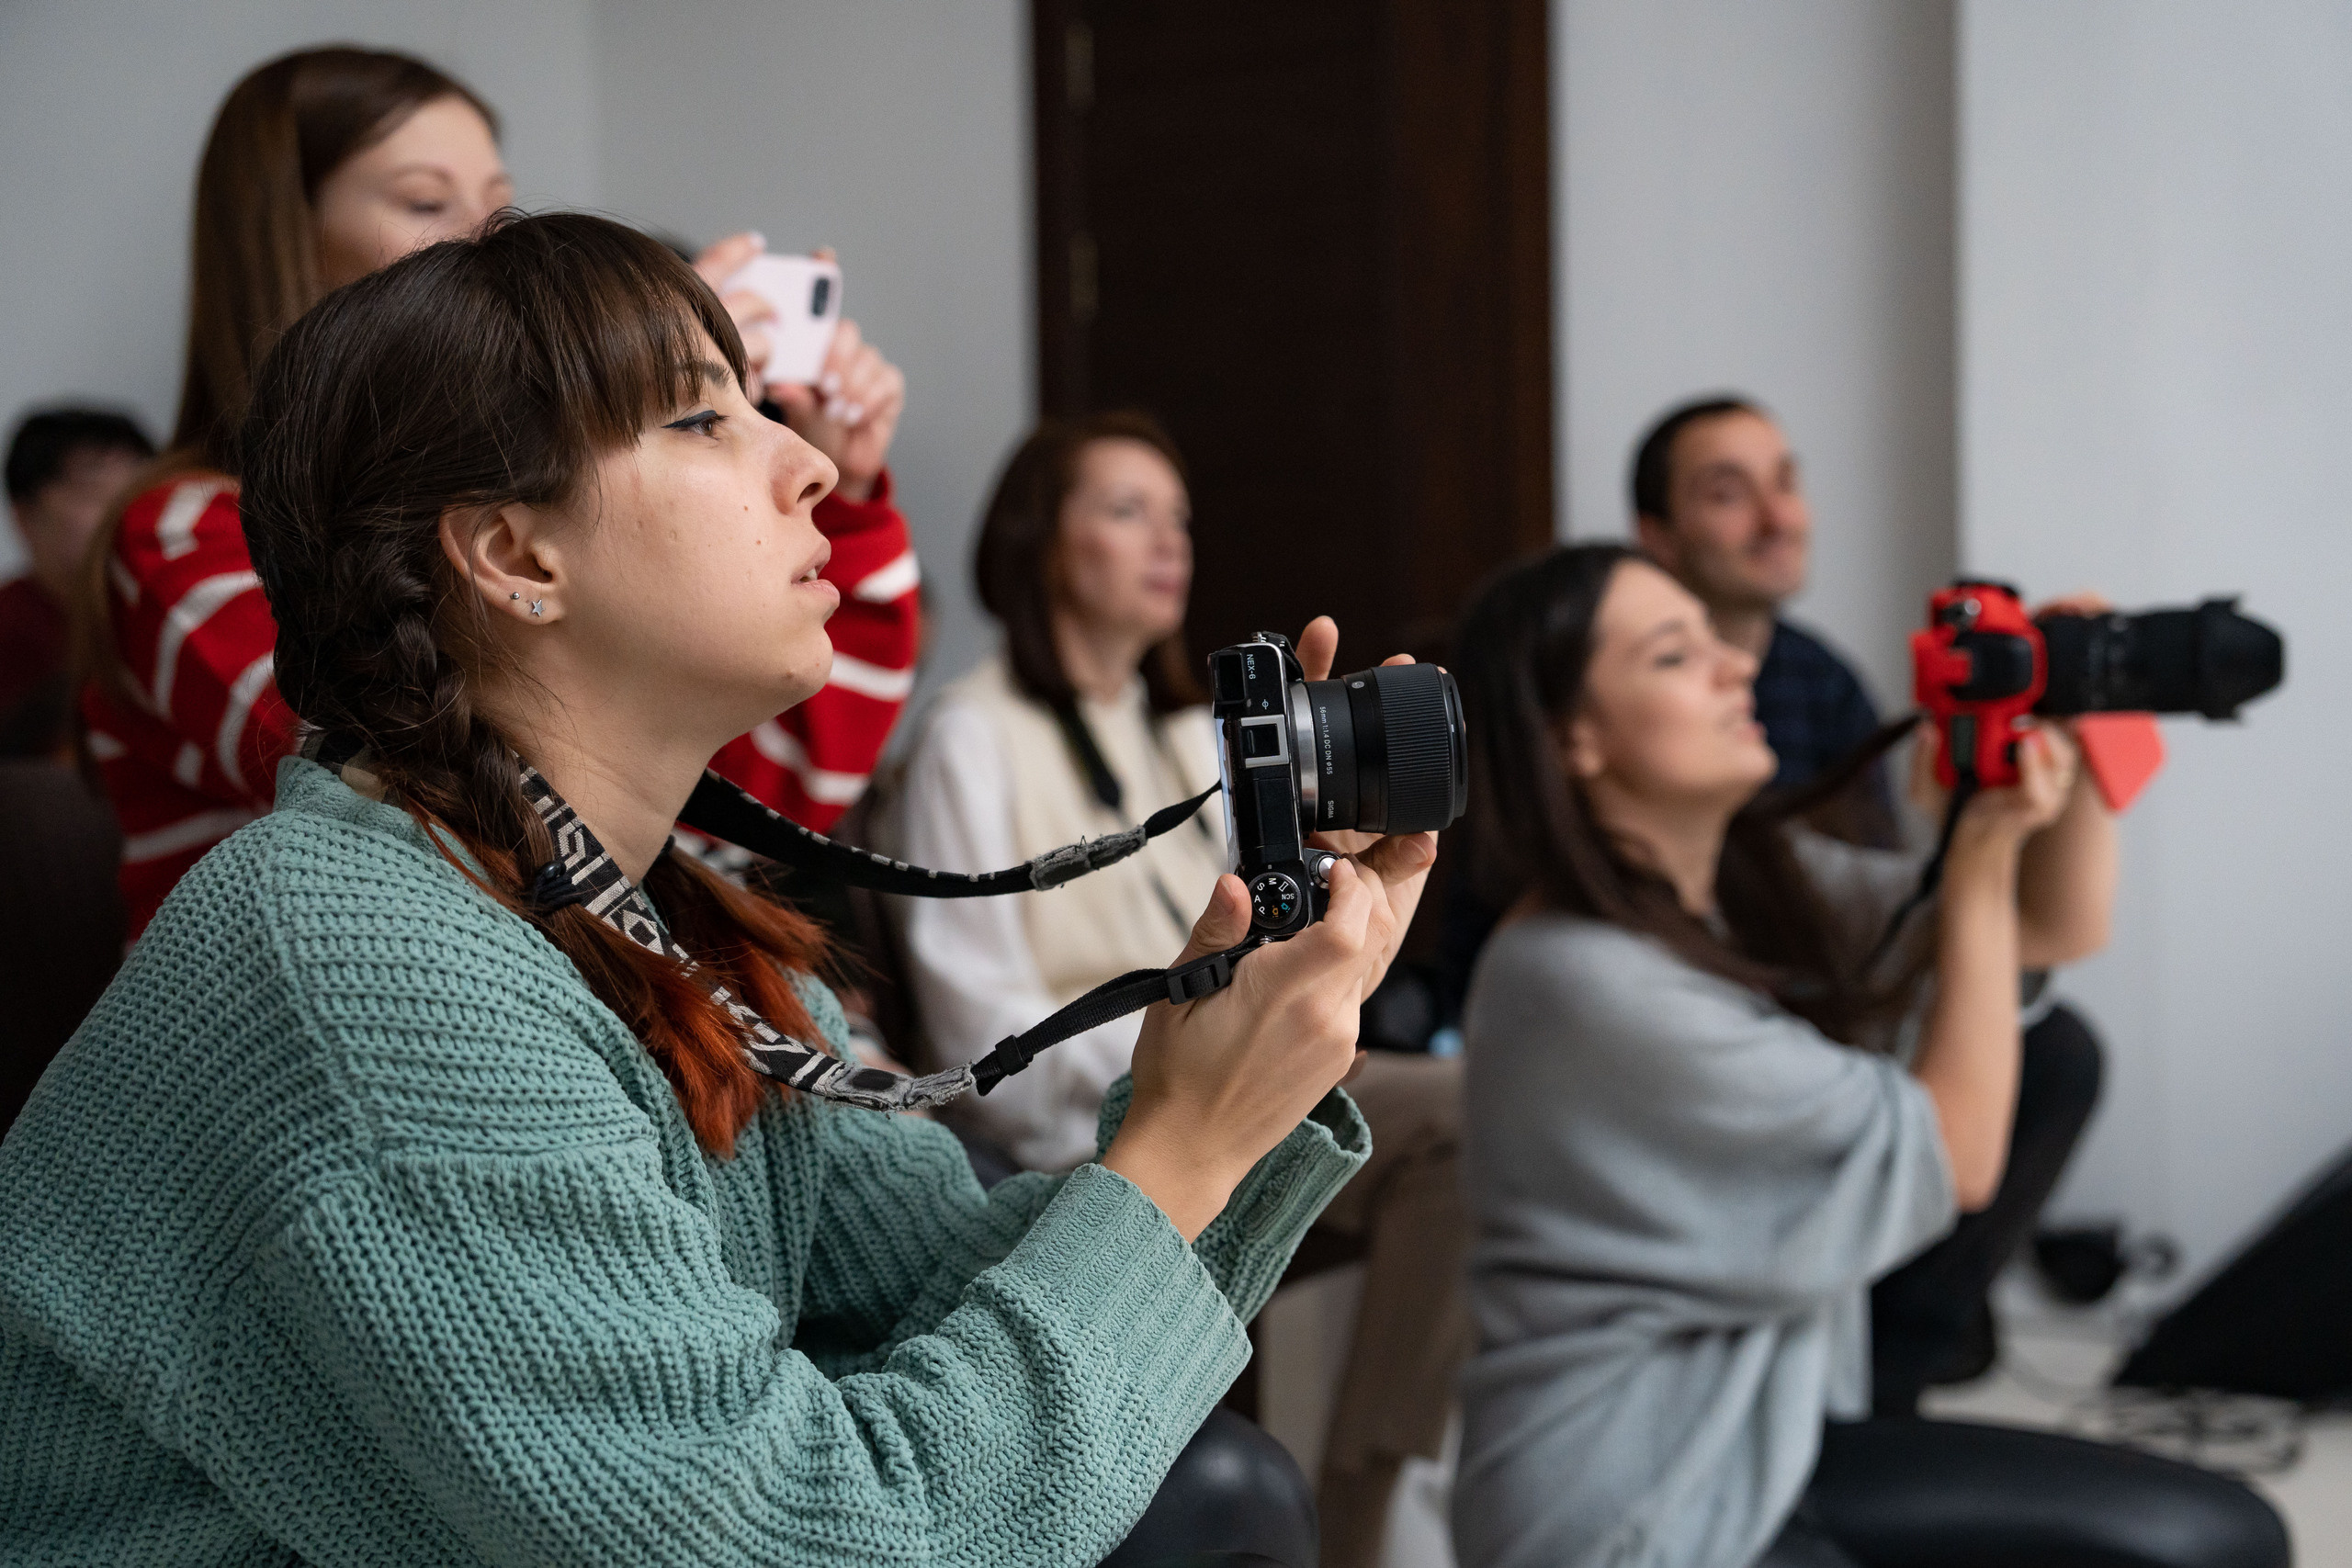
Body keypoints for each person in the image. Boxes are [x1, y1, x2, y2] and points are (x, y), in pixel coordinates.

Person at [0, 211, 1446, 1566]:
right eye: (705, 416)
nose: (808, 464)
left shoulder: (647, 913)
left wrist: (1236, 1079)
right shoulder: (358, 955)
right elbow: (812, 1538)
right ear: (513, 553)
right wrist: (1180, 1149)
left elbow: (948, 1286)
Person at [1447, 543, 2286, 1568]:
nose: (1734, 668)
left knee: (2217, 1533)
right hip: (1634, 1509)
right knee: (2213, 1542)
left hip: (1773, 1443)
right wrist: (1976, 848)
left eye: (1718, 644)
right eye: (1674, 657)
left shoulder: (1747, 877)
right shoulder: (1574, 977)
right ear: (1572, 739)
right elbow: (1957, 1151)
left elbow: (2049, 927)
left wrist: (2067, 717)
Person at [79, 46, 917, 943]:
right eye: (426, 203)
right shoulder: (176, 535)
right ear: (284, 235)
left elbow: (769, 788)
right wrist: (627, 375)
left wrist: (823, 487)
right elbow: (388, 768)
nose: (487, 237)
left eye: (496, 197)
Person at [888, 413, 1471, 1568]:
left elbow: (1246, 935)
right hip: (1094, 1121)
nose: (1170, 542)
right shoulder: (970, 736)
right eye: (1124, 510)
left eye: (1179, 518)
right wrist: (1189, 1074)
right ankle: (1355, 1527)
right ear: (1039, 542)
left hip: (1228, 1078)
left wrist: (1326, 897)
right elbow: (976, 1024)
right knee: (1454, 1125)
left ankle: (1366, 1491)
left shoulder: (1173, 739)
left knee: (1470, 1114)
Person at [1627, 393, 2107, 1411]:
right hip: (1731, 1014)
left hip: (1818, 984)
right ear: (1655, 539)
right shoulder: (1596, 939)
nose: (1777, 515)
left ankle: (1895, 1365)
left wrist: (2073, 744)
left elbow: (1950, 924)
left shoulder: (1820, 684)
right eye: (1727, 492)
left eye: (1787, 481)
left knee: (2056, 1046)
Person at [0, 408, 153, 756]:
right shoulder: (10, 629)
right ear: (25, 516)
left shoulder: (157, 612)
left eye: (139, 491)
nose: (124, 512)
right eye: (94, 493)